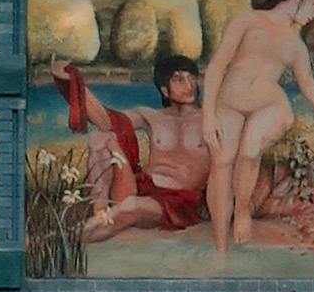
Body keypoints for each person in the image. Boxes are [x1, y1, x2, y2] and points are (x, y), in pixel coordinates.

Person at [198, 0, 314, 253]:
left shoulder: (296, 45)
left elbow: (309, 87)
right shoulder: (247, 21)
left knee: (250, 151)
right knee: (222, 162)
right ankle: (220, 246)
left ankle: (242, 212)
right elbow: (217, 66)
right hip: (228, 102)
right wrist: (208, 115)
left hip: (269, 104)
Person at [68, 44, 211, 233]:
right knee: (100, 137)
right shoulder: (151, 116)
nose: (189, 85)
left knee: (132, 206)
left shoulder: (210, 119)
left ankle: (54, 240)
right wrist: (70, 79)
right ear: (165, 90)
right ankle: (99, 212)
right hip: (141, 187)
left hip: (178, 201)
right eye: (178, 80)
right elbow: (105, 119)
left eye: (191, 78)